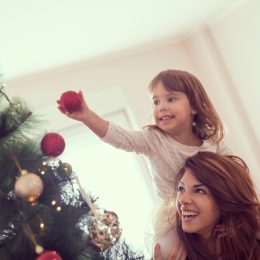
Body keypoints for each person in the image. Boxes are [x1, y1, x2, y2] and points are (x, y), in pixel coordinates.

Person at [57, 69, 231, 201]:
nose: (161, 107)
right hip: (175, 216)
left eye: (171, 99)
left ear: (194, 106)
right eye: (156, 101)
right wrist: (88, 116)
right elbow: (120, 138)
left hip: (211, 206)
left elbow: (234, 170)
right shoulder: (153, 139)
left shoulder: (211, 140)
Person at [154, 152, 260, 259]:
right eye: (181, 189)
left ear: (226, 198)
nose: (182, 199)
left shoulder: (252, 238)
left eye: (199, 191)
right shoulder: (170, 250)